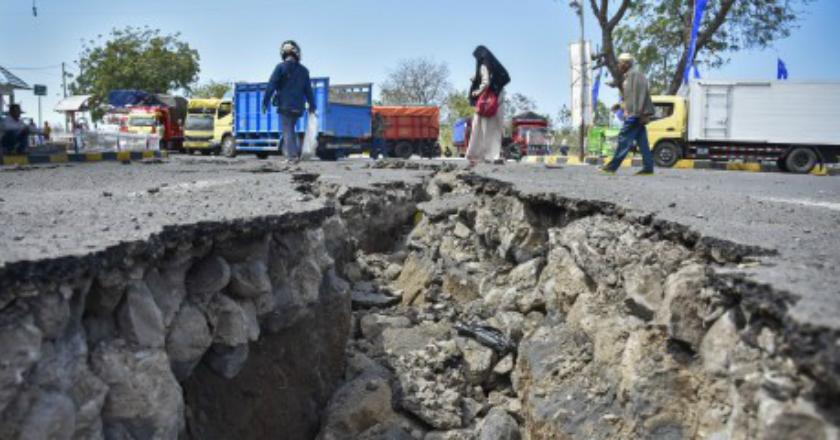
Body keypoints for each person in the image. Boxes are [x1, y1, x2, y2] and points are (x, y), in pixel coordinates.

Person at [261, 40, 317, 163]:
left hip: (285, 106)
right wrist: (312, 105)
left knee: (287, 130)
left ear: (283, 53)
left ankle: (292, 157)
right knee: (291, 129)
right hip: (299, 107)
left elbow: (271, 85)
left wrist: (265, 102)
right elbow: (308, 90)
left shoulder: (280, 67)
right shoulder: (304, 71)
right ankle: (293, 154)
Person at [601, 53, 655, 175]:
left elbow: (640, 95)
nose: (618, 66)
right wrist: (620, 105)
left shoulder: (635, 75)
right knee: (642, 142)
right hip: (636, 113)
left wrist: (637, 113)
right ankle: (648, 167)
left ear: (626, 64)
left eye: (620, 63)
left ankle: (611, 167)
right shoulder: (630, 76)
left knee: (623, 138)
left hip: (635, 114)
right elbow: (631, 97)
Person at [466, 45, 510, 168]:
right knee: (494, 129)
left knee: (479, 127)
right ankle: (492, 155)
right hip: (497, 101)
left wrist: (476, 92)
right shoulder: (493, 66)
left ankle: (476, 155)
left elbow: (485, 82)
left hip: (486, 102)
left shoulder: (483, 65)